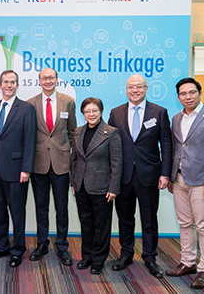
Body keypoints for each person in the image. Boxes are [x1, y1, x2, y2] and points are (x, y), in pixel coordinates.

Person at [108, 74, 172, 278]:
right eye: (130, 87)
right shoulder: (115, 112)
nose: (134, 90)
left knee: (149, 219)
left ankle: (150, 257)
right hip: (123, 176)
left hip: (149, 175)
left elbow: (167, 145)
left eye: (139, 87)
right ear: (125, 90)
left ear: (146, 88)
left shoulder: (159, 112)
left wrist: (165, 174)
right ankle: (126, 254)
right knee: (125, 219)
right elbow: (111, 145)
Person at [165, 78, 204, 289]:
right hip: (180, 178)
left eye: (192, 92)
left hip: (202, 181)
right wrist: (173, 176)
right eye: (183, 94)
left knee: (203, 225)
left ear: (200, 93)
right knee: (184, 223)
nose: (188, 97)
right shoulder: (176, 118)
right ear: (178, 97)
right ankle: (188, 262)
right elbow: (176, 148)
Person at [0, 70, 37, 268]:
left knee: (17, 213)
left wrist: (26, 169)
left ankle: (18, 250)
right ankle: (1, 247)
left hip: (16, 171)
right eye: (5, 82)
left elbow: (30, 141)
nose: (9, 85)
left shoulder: (26, 109)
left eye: (13, 82)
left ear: (17, 85)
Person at [26, 68, 76, 266]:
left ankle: (62, 246)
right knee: (41, 207)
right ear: (39, 80)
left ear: (56, 80)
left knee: (61, 208)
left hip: (61, 164)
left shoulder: (68, 101)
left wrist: (66, 152)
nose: (48, 81)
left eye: (51, 77)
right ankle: (42, 243)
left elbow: (72, 132)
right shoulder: (30, 104)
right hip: (38, 163)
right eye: (44, 78)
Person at [71, 97, 122, 274]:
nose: (91, 114)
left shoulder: (111, 132)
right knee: (86, 223)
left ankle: (99, 259)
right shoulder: (78, 131)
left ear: (101, 112)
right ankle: (87, 257)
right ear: (83, 113)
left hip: (102, 187)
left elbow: (117, 163)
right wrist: (73, 181)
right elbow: (75, 159)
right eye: (87, 111)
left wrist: (114, 188)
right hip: (81, 186)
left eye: (94, 110)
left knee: (101, 225)